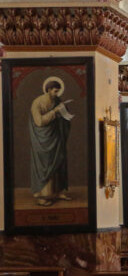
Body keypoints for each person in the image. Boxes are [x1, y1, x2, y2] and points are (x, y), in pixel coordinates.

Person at [29, 77, 73, 207]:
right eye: (55, 91)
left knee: (58, 161)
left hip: (55, 137)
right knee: (46, 165)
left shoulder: (57, 100)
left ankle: (57, 192)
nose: (57, 94)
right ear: (48, 90)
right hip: (42, 139)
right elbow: (39, 122)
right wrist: (55, 111)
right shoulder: (37, 103)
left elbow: (61, 118)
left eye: (58, 91)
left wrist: (64, 114)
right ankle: (41, 196)